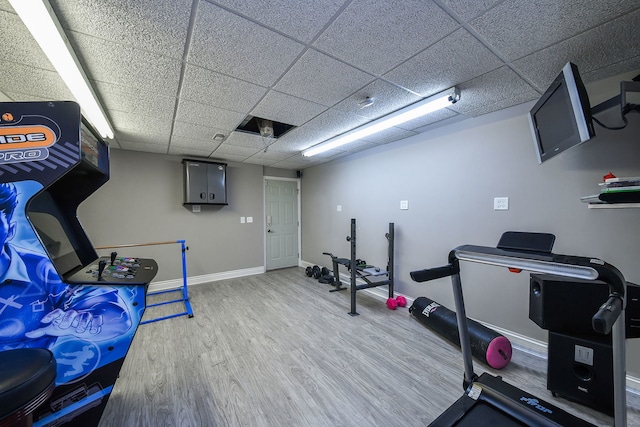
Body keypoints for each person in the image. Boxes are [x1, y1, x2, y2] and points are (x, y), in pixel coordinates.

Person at [0, 182, 131, 353]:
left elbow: (118, 318)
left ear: (10, 230)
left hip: (33, 372)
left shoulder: (42, 270)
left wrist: (83, 321)